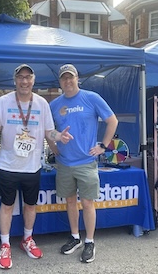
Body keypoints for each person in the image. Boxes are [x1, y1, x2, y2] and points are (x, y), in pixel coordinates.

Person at [0, 64, 73, 270]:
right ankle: (5, 245)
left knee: (30, 206)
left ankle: (27, 239)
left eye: (28, 77)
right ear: (15, 80)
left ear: (33, 80)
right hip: (8, 165)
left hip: (32, 166)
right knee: (7, 206)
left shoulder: (42, 103)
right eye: (20, 77)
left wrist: (59, 137)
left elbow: (48, 131)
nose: (24, 81)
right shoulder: (3, 101)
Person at [49, 64, 118, 263]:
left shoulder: (91, 97)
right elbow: (46, 130)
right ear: (60, 82)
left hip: (87, 162)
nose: (68, 81)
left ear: (77, 78)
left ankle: (89, 241)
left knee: (87, 203)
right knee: (70, 201)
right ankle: (75, 237)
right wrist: (54, 142)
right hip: (64, 163)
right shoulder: (54, 105)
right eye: (64, 78)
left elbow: (112, 121)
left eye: (71, 77)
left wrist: (103, 146)